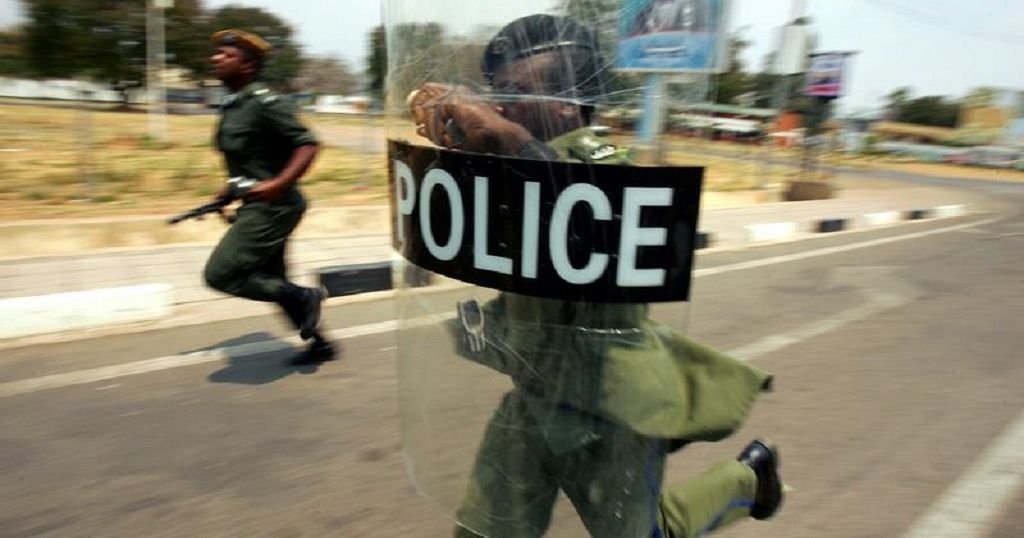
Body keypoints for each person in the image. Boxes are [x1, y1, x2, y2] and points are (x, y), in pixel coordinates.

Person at [409, 14, 783, 538]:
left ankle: (748, 480)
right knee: (483, 530)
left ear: (568, 102)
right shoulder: (516, 162)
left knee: (644, 533)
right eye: (497, 92)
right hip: (535, 390)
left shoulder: (605, 166)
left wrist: (507, 140)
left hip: (607, 413)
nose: (500, 105)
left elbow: (586, 217)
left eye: (516, 92)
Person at [205, 29, 334, 365]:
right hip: (258, 202)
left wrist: (279, 183)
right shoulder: (234, 105)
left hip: (273, 207)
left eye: (227, 55)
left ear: (247, 66)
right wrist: (229, 190)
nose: (216, 58)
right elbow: (252, 159)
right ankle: (320, 344)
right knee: (272, 281)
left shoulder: (265, 102)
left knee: (220, 275)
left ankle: (307, 296)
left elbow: (307, 144)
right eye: (217, 53)